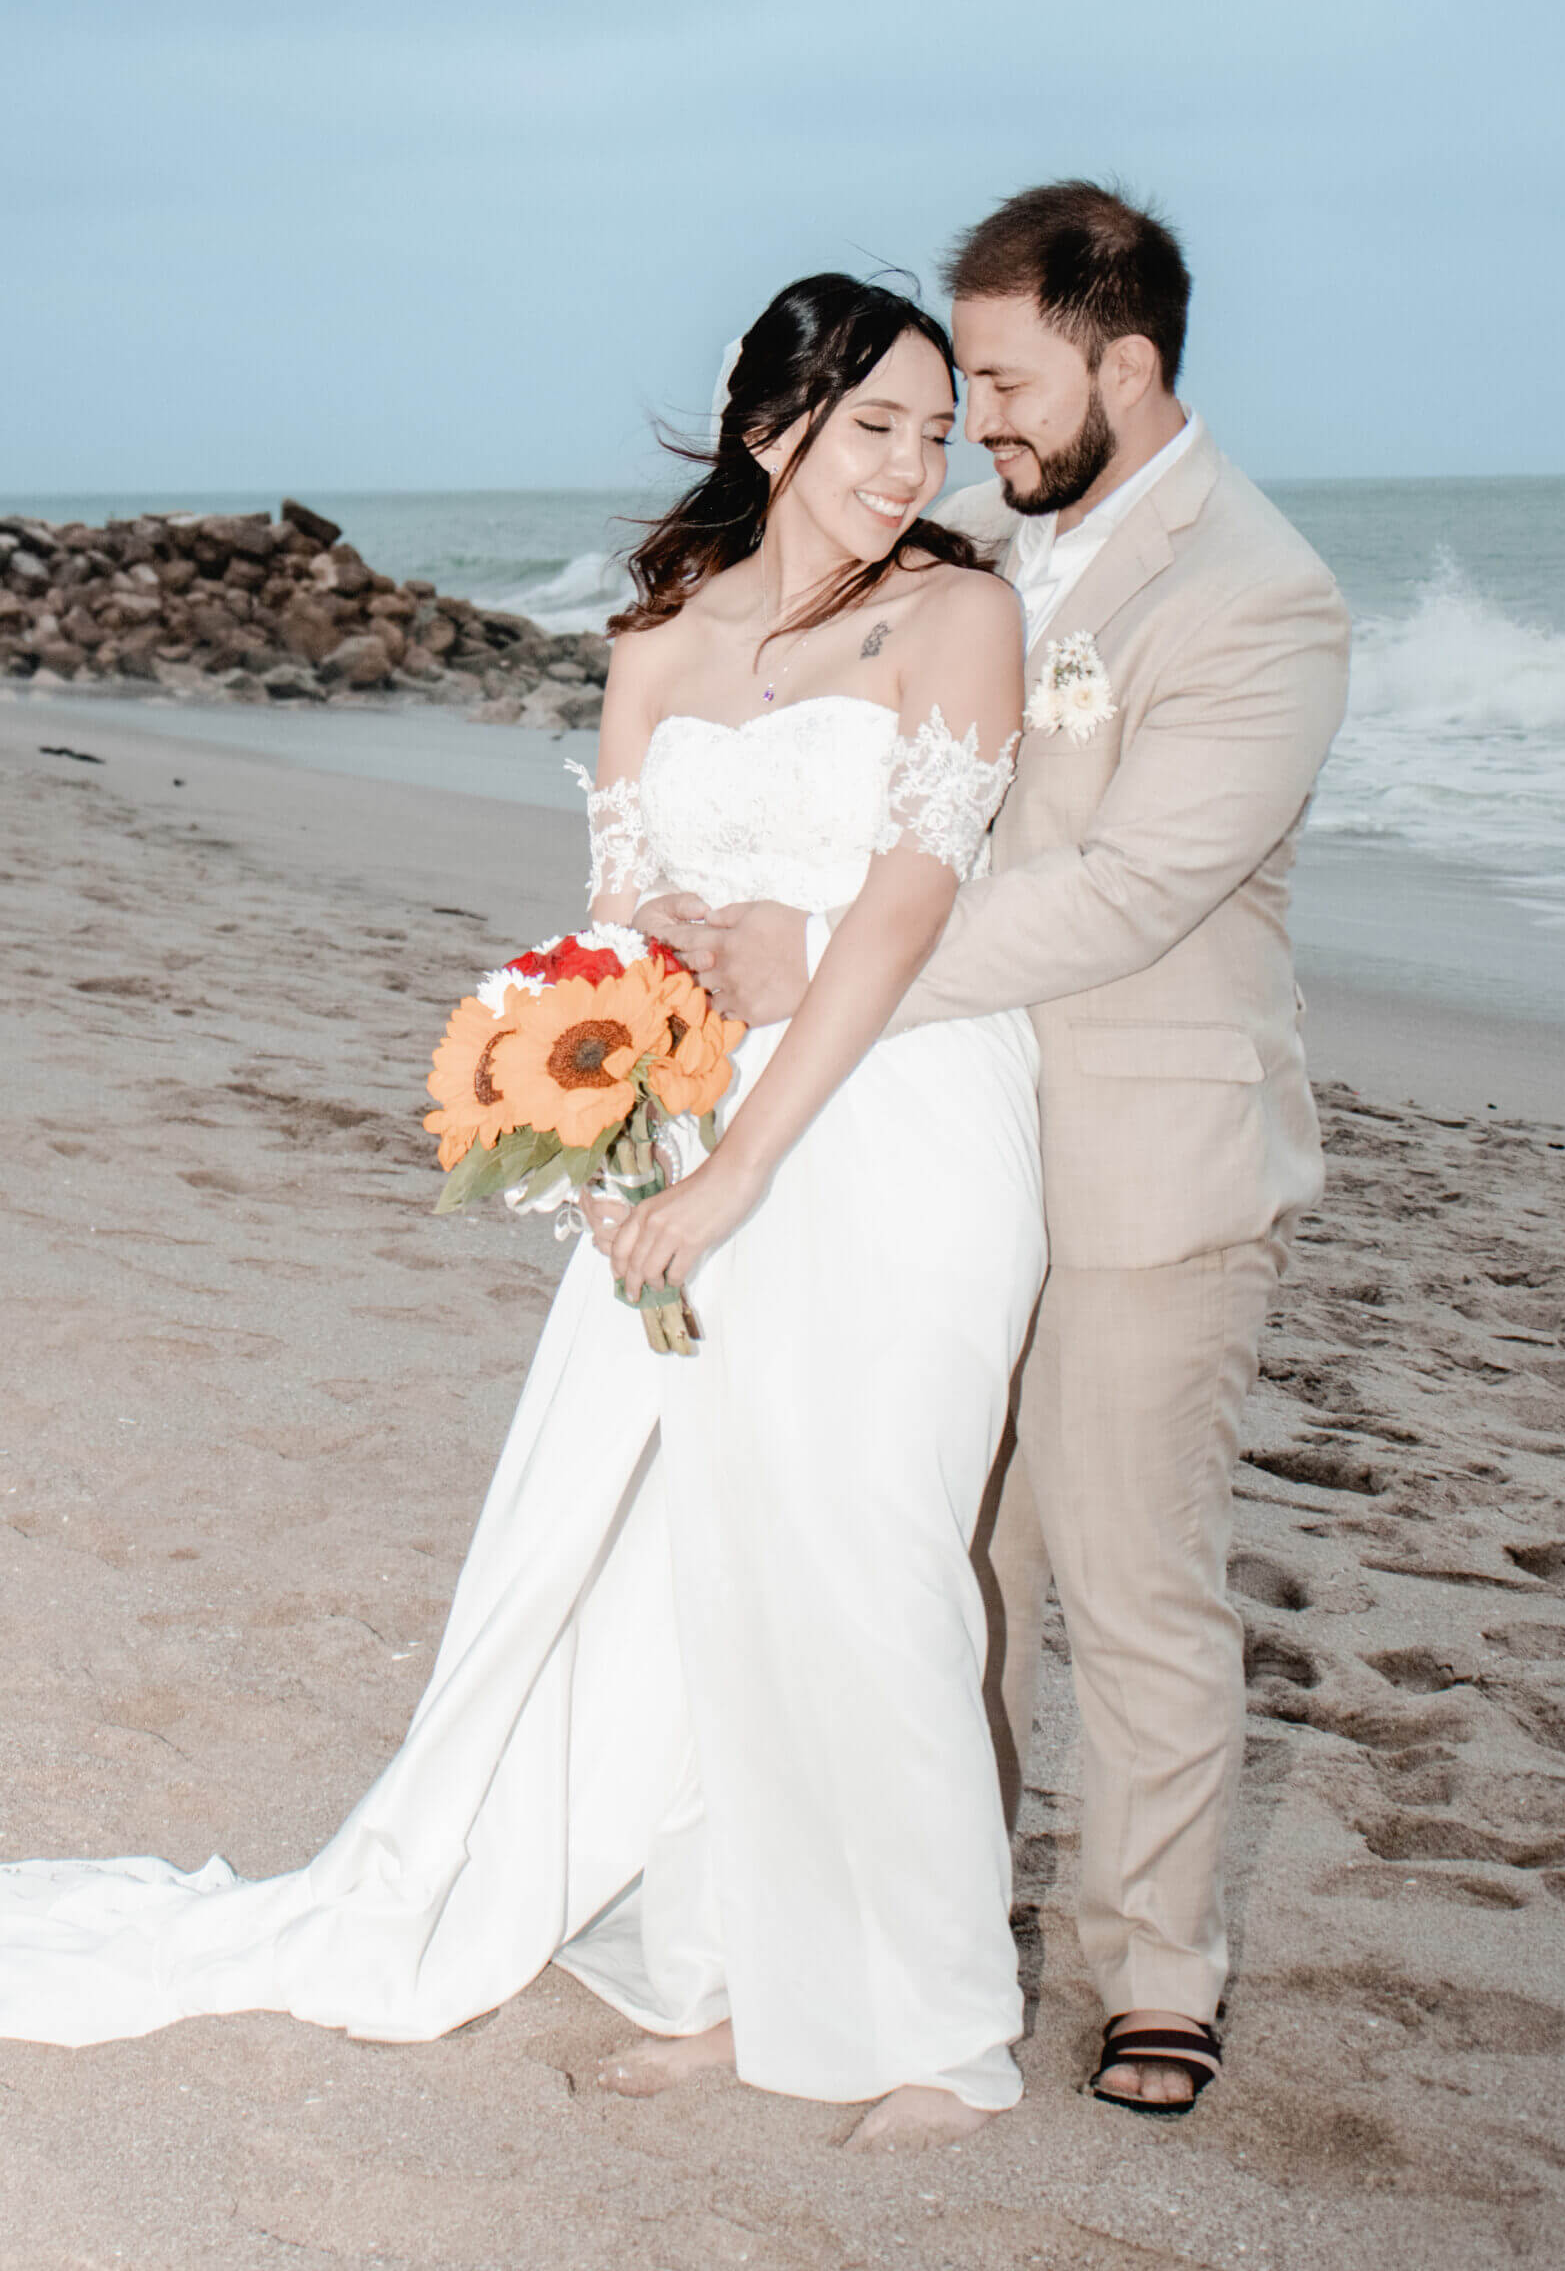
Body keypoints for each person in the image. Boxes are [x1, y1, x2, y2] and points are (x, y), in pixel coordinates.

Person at [0, 275, 1047, 2155]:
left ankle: (945, 2036)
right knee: (702, 1555)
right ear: (770, 429)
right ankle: (736, 1982)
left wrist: (743, 1160)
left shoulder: (958, 616)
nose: (912, 464)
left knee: (876, 1555)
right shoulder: (657, 647)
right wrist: (638, 1081)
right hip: (692, 1121)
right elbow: (615, 932)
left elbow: (909, 908)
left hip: (899, 1121)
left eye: (934, 431)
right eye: (874, 425)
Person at [641, 183, 1352, 2118]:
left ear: (1129, 364)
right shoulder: (977, 543)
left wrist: (824, 967)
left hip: (1138, 1160)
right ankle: (920, 1948)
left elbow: (1129, 891)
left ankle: (1157, 1977)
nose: (979, 429)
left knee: (1128, 1584)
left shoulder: (1257, 596)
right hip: (935, 1149)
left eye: (1011, 387)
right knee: (936, 1570)